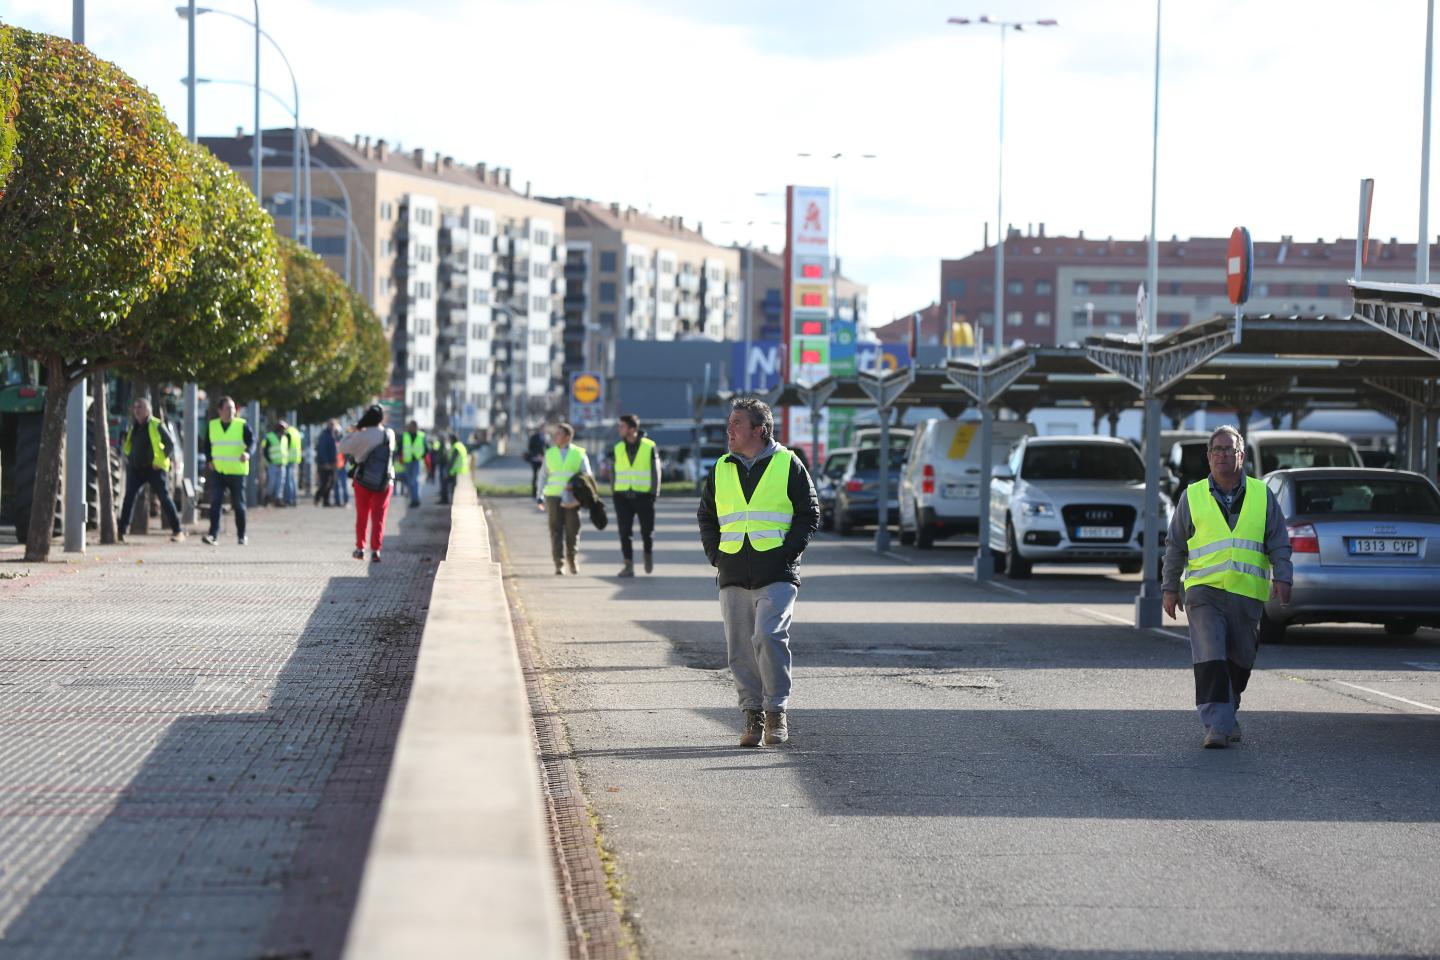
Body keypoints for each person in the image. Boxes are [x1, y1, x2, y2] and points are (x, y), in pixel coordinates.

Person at [697, 398, 820, 748]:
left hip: (777, 572)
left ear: (759, 430)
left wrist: (787, 553)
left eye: (737, 423)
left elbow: (809, 513)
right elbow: (706, 515)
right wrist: (715, 555)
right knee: (739, 648)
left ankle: (777, 710)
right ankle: (753, 714)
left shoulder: (788, 463)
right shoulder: (721, 467)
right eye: (729, 423)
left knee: (768, 637)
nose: (729, 430)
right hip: (733, 569)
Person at [1163, 424, 1293, 749]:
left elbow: (1278, 540)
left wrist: (1283, 576)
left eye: (1229, 449)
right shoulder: (1192, 496)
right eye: (1216, 449)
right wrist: (1169, 587)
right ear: (1208, 457)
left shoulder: (1262, 494)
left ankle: (1227, 713)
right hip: (1203, 592)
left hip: (1247, 593)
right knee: (1211, 655)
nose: (1222, 454)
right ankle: (1216, 727)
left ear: (1241, 455)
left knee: (1240, 660)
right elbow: (1175, 544)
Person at [117, 397, 185, 543]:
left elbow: (170, 444)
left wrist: (159, 462)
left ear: (148, 410)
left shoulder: (156, 424)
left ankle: (178, 531)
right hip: (136, 469)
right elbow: (128, 445)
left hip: (154, 469)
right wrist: (128, 458)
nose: (137, 410)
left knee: (165, 499)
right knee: (128, 499)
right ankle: (121, 532)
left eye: (140, 407)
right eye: (135, 407)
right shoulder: (133, 425)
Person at [339, 404, 396, 563]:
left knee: (362, 515)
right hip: (385, 481)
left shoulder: (361, 435)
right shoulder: (389, 434)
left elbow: (342, 447)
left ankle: (360, 548)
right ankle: (376, 550)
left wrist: (355, 430)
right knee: (379, 516)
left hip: (363, 480)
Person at [536, 422, 592, 575]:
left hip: (573, 498)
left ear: (568, 437)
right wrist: (539, 495)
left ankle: (572, 559)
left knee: (572, 530)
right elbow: (543, 476)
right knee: (555, 531)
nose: (556, 436)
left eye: (559, 434)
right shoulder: (550, 453)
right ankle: (558, 563)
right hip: (553, 496)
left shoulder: (579, 453)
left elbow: (587, 476)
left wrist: (575, 486)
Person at [612, 413, 662, 577]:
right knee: (624, 532)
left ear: (632, 429)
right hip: (622, 496)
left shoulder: (649, 446)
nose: (619, 428)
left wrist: (655, 491)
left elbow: (656, 470)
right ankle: (628, 565)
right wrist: (614, 490)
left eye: (622, 426)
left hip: (644, 496)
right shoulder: (618, 447)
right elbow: (614, 470)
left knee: (647, 532)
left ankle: (647, 553)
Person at [201, 396, 253, 546]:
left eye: (232, 408)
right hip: (219, 471)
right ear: (219, 411)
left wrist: (248, 453)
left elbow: (252, 442)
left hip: (237, 471)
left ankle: (242, 536)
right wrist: (209, 460)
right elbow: (207, 446)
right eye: (227, 408)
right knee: (215, 503)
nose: (231, 411)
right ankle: (213, 535)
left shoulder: (242, 425)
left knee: (239, 505)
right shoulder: (212, 425)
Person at [399, 420, 426, 508]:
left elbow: (426, 449)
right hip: (407, 461)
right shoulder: (405, 435)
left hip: (416, 462)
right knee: (410, 481)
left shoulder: (421, 436)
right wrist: (400, 457)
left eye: (414, 426)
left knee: (414, 480)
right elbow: (399, 447)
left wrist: (421, 456)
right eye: (411, 426)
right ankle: (413, 498)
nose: (412, 428)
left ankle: (415, 500)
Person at [314, 419, 340, 507]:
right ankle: (318, 497)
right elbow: (322, 450)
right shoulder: (325, 435)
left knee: (331, 482)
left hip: (333, 463)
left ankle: (326, 501)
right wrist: (325, 463)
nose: (332, 426)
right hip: (325, 463)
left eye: (334, 424)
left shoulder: (335, 435)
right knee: (325, 483)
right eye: (331, 424)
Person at [262, 421, 288, 507]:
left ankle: (278, 499)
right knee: (271, 483)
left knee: (280, 483)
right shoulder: (270, 437)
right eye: (283, 429)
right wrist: (269, 461)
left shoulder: (285, 438)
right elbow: (265, 451)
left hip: (282, 464)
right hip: (272, 464)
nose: (284, 431)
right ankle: (268, 497)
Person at [444, 432, 469, 504]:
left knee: (454, 490)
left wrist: (447, 472)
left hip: (456, 471)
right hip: (461, 470)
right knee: (457, 490)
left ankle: (453, 502)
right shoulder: (460, 445)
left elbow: (452, 461)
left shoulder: (456, 447)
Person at [284, 420, 303, 506]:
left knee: (288, 481)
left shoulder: (288, 433)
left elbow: (285, 446)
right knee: (293, 480)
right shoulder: (296, 432)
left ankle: (289, 499)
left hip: (288, 459)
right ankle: (294, 499)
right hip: (296, 458)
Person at [525, 426, 547, 498]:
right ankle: (534, 492)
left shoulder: (545, 437)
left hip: (542, 459)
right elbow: (530, 447)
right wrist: (536, 454)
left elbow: (547, 447)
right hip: (535, 459)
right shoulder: (534, 437)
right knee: (535, 476)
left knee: (543, 476)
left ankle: (541, 492)